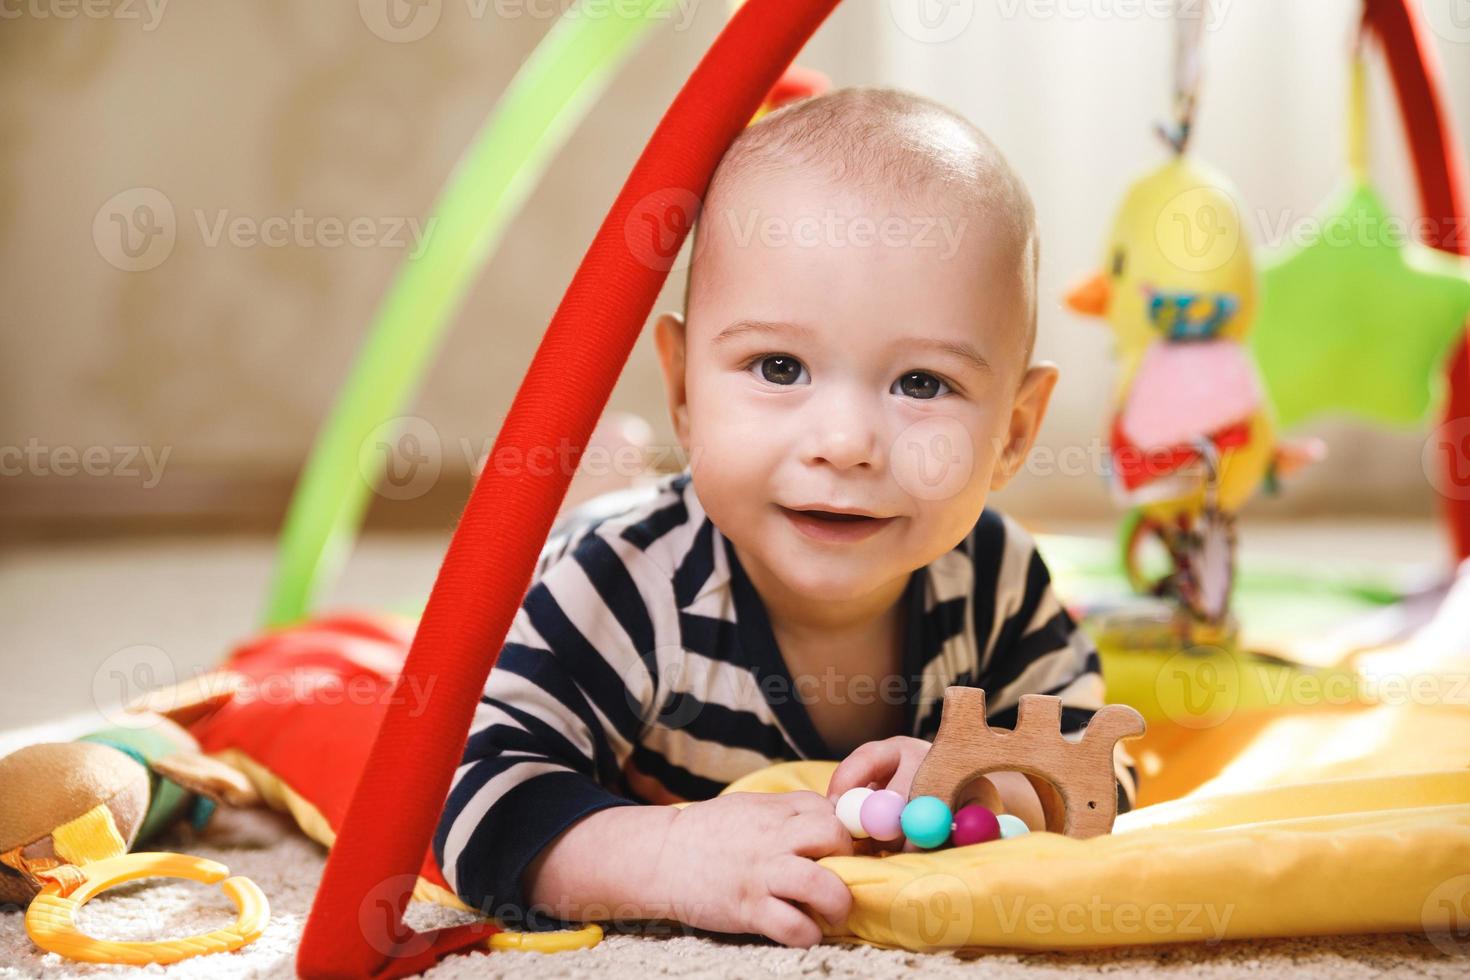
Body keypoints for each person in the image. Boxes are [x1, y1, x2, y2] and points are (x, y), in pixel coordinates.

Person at [434, 86, 1137, 948]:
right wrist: (668, 856)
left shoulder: (996, 576)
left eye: (921, 384)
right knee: (558, 557)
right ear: (685, 388)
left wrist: (988, 786)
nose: (844, 443)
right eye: (777, 366)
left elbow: (1097, 766)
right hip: (608, 546)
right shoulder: (623, 585)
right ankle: (596, 485)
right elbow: (474, 802)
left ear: (1014, 433)